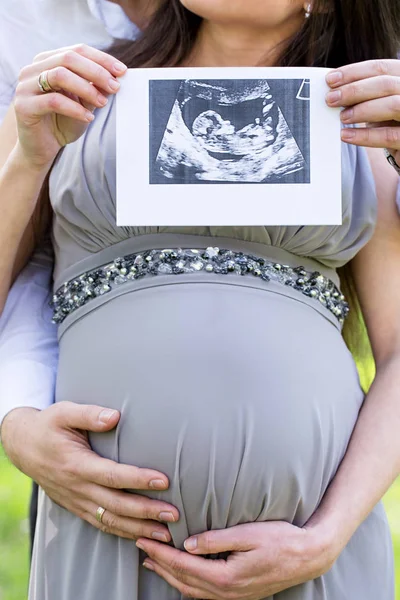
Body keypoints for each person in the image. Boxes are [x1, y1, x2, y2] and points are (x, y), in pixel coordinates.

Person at [1, 0, 400, 599]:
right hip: (110, 537)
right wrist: (28, 158)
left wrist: (327, 536)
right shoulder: (69, 91)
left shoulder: (362, 126)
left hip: (305, 544)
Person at [0, 0, 180, 548]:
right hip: (87, 468)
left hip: (304, 493)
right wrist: (19, 415)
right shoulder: (18, 23)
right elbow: (34, 248)